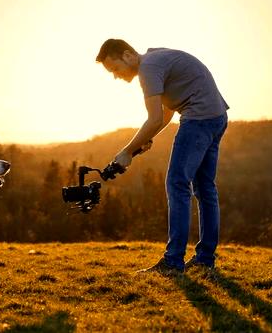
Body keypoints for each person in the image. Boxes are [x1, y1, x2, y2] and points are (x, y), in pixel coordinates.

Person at [96, 38, 229, 273]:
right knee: (205, 188)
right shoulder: (157, 59)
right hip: (216, 117)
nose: (116, 76)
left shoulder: (148, 68)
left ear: (127, 55)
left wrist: (126, 152)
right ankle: (205, 259)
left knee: (177, 183)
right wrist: (147, 139)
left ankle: (173, 262)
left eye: (115, 69)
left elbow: (154, 118)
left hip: (198, 119)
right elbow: (166, 113)